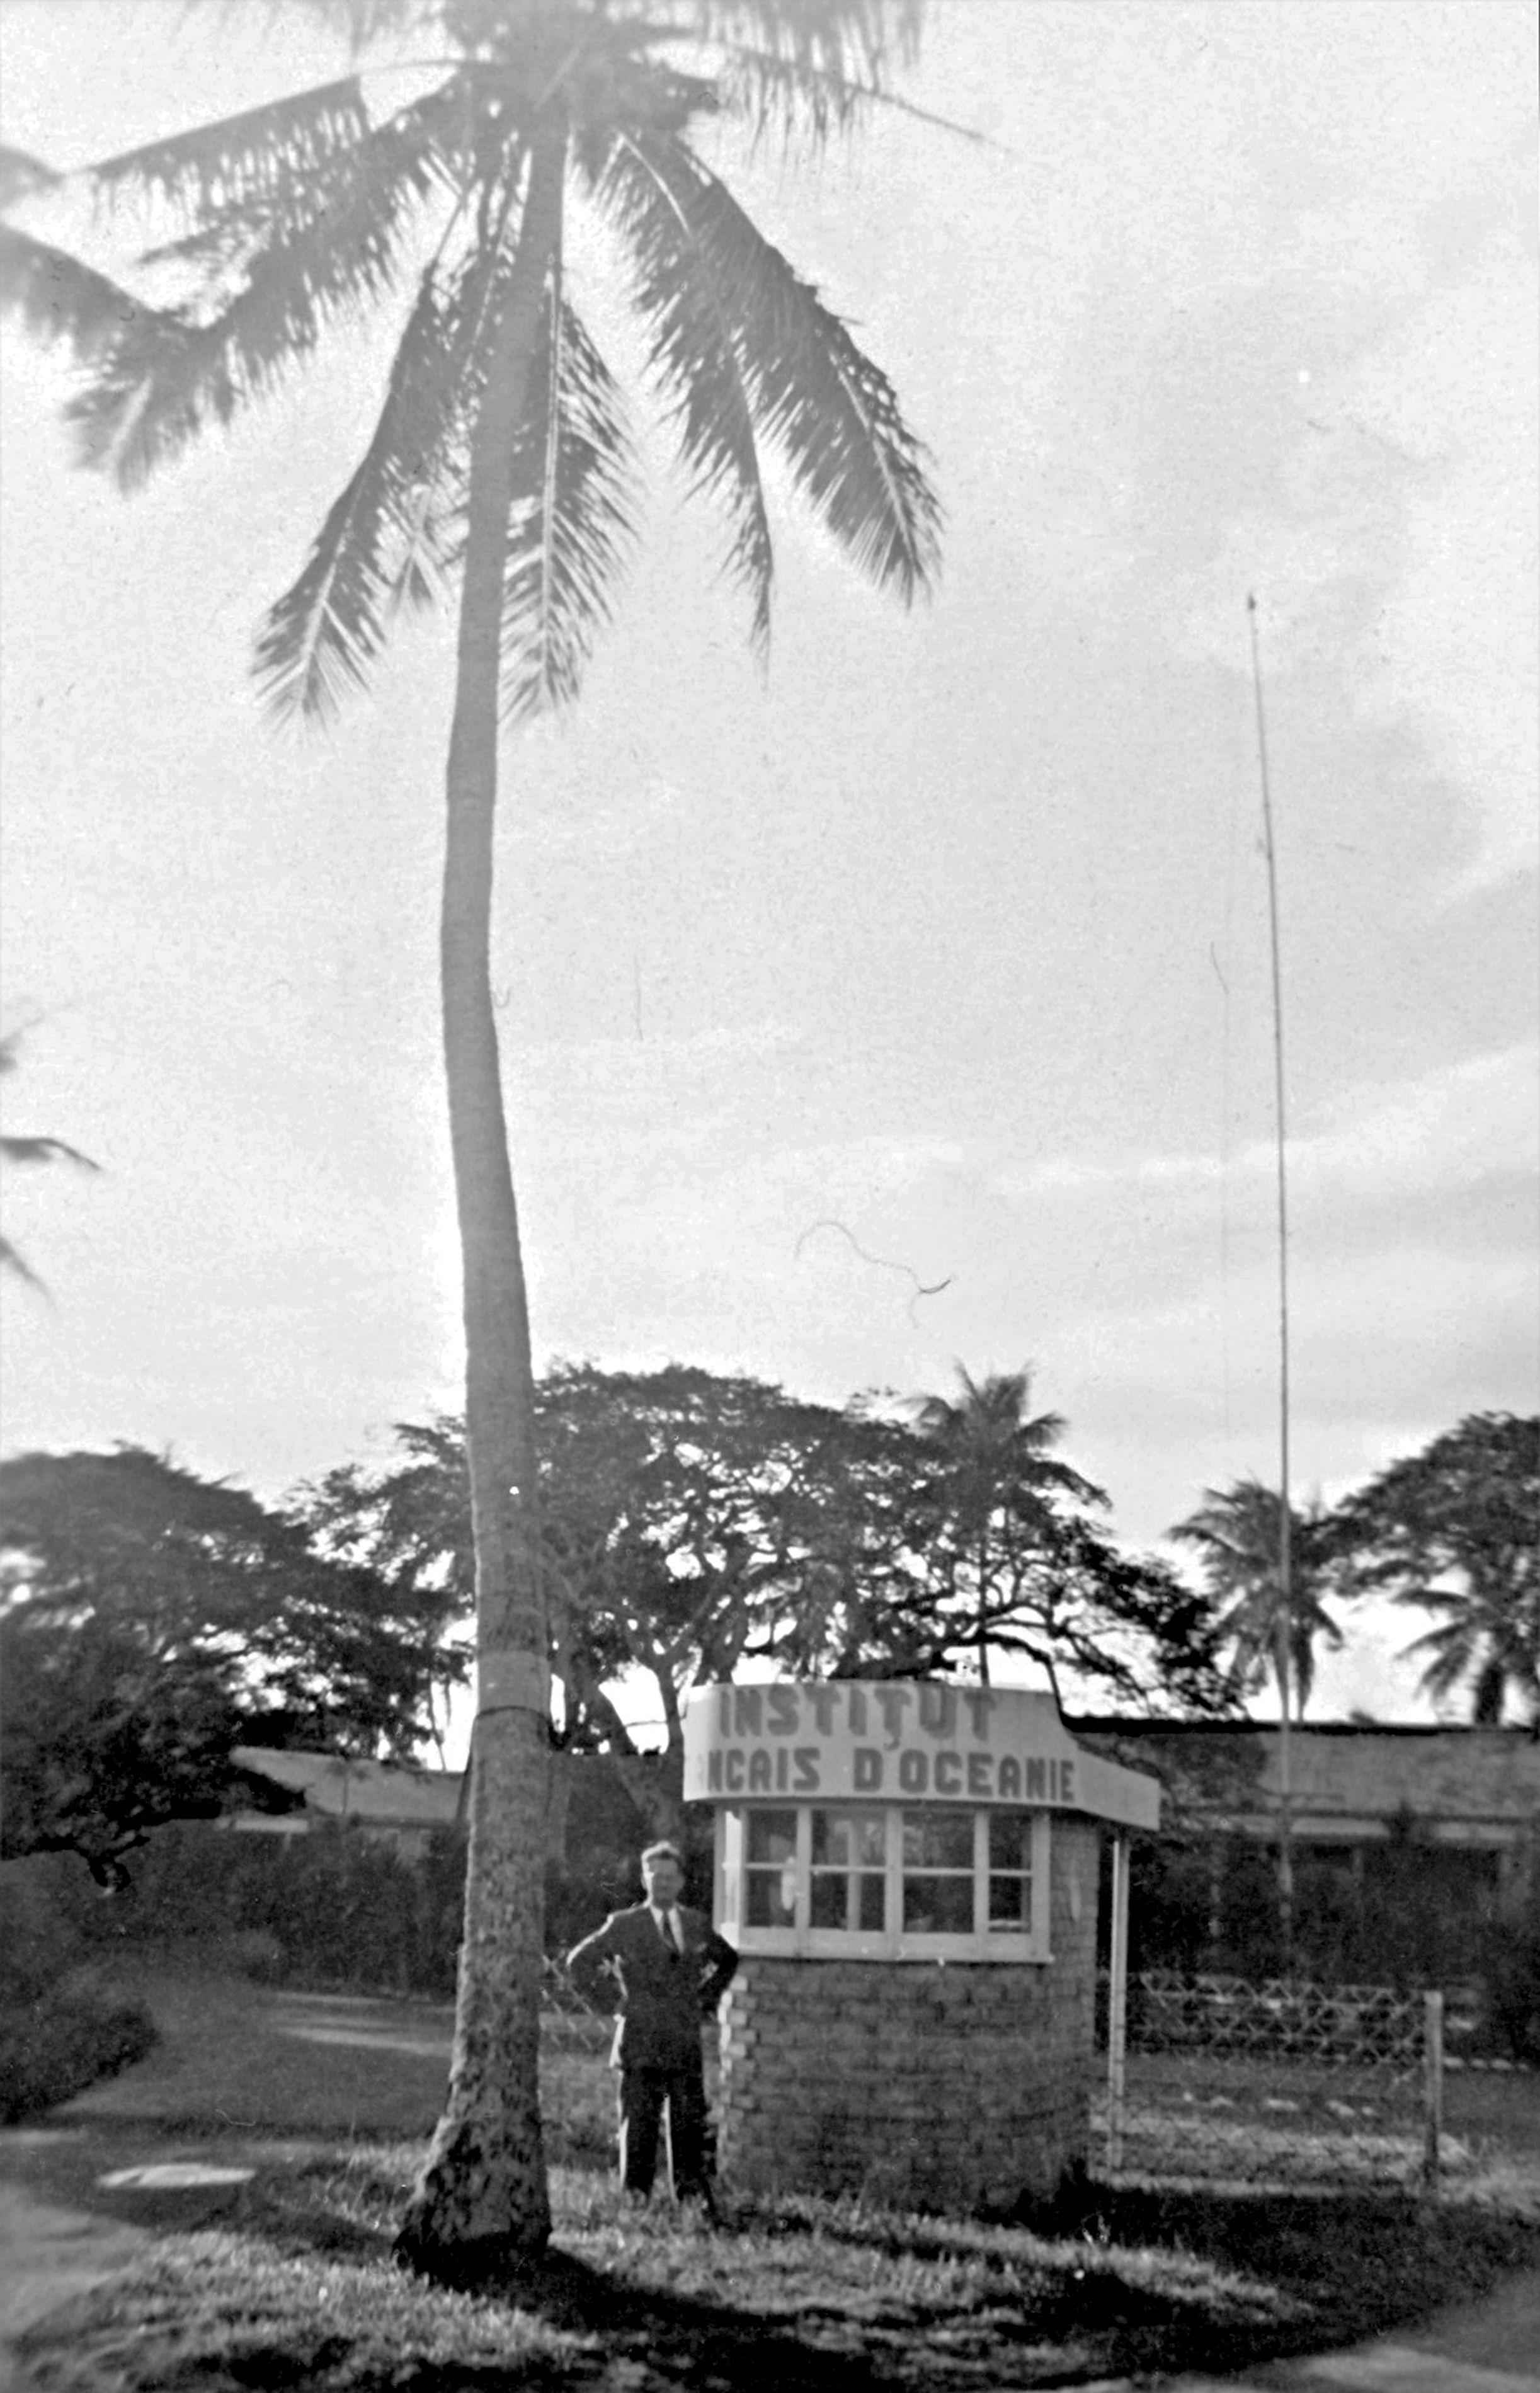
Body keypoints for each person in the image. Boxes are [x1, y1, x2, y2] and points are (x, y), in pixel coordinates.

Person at [566, 1839, 738, 2212]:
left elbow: (727, 1960)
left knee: (687, 2124)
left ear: (680, 1882)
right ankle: (635, 2199)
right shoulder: (625, 1925)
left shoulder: (694, 1924)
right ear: (644, 1880)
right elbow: (579, 1962)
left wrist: (703, 2000)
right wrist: (616, 2002)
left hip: (682, 2038)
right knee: (639, 2126)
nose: (662, 1883)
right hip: (640, 2039)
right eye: (654, 1876)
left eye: (669, 1877)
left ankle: (690, 2200)